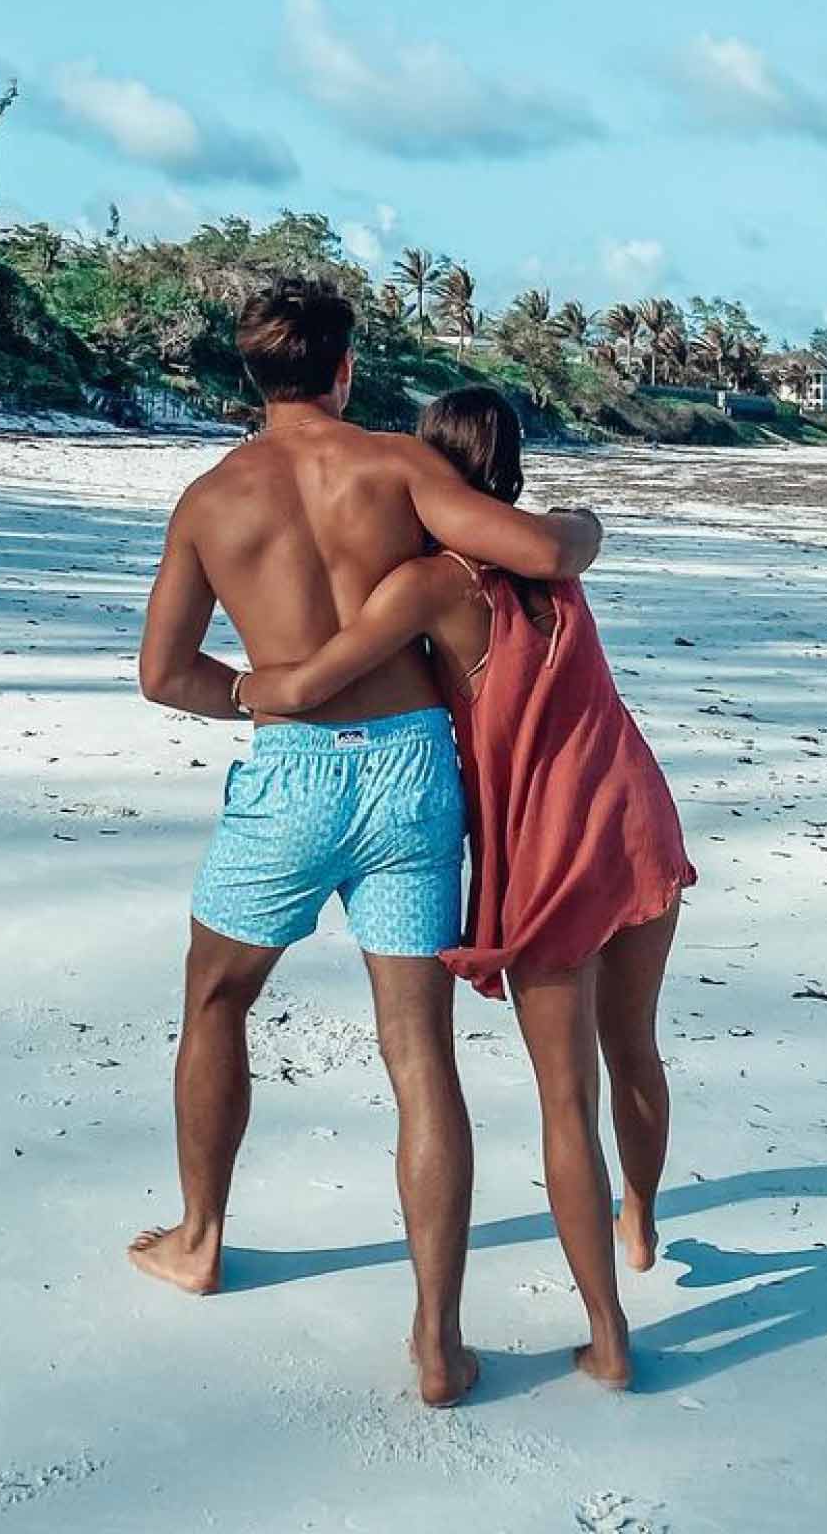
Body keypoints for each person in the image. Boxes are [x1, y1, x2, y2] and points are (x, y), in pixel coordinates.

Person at [129, 282, 601, 1408]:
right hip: (409, 773)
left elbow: (162, 673)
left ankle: (200, 1239)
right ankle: (438, 1342)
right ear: (345, 370)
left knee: (216, 1000)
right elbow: (544, 551)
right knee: (418, 1054)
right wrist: (585, 523)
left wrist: (255, 691)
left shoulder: (210, 499)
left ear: (254, 377)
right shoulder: (399, 467)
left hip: (289, 773)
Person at [238, 386, 696, 1391]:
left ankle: (610, 1339)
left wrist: (242, 690)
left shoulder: (427, 585)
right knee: (634, 1046)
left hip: (546, 848)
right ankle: (642, 1216)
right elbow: (574, 536)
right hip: (635, 814)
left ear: (428, 473)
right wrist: (578, 518)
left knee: (566, 1101)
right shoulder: (553, 561)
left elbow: (310, 682)